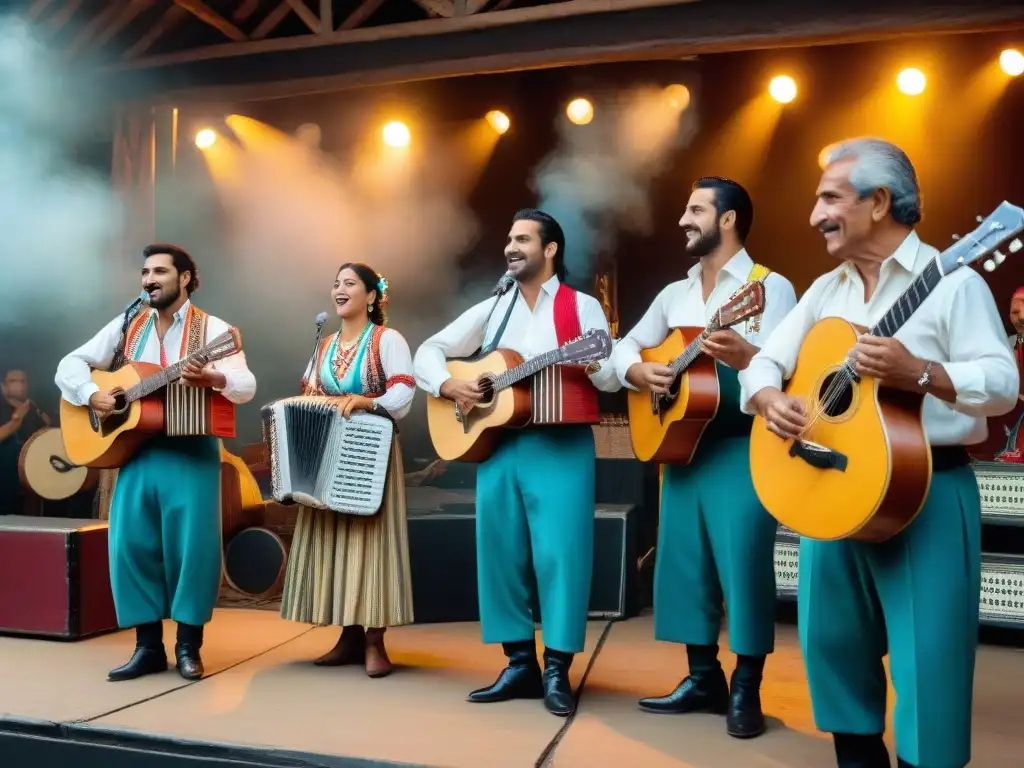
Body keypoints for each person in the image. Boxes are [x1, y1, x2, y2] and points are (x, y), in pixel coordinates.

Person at [739, 138, 1019, 768]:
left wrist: (920, 372)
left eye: (830, 198)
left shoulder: (955, 281)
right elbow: (764, 362)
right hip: (828, 491)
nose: (815, 214)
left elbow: (1004, 383)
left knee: (930, 661)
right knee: (831, 647)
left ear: (880, 202)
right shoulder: (823, 291)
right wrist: (765, 398)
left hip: (926, 492)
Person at [413, 208, 620, 717]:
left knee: (561, 557)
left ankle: (557, 670)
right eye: (509, 238)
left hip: (561, 444)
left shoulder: (583, 307)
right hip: (500, 445)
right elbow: (430, 349)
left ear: (550, 250)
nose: (511, 246)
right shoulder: (495, 307)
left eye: (523, 239)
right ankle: (518, 663)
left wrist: (595, 363)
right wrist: (448, 384)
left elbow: (612, 374)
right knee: (500, 555)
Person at [610, 177, 797, 738]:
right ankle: (702, 677)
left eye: (696, 209)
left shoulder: (769, 287)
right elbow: (626, 346)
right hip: (681, 450)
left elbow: (792, 370)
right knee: (683, 567)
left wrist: (751, 356)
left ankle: (747, 687)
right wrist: (638, 372)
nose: (683, 219)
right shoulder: (675, 294)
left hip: (743, 447)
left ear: (729, 220)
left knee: (743, 569)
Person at [55, 244, 256, 682]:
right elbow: (70, 364)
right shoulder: (129, 324)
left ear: (185, 278)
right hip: (137, 449)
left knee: (193, 551)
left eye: (160, 271)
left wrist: (214, 377)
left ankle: (188, 647)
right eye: (145, 272)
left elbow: (245, 385)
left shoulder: (216, 329)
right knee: (130, 545)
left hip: (191, 449)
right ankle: (147, 647)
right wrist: (92, 394)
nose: (149, 279)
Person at [279, 263, 416, 678]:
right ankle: (349, 635)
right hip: (327, 454)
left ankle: (375, 640)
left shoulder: (387, 339)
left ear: (372, 296)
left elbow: (405, 391)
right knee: (335, 541)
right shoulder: (324, 346)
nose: (339, 289)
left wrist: (368, 401)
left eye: (350, 284)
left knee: (371, 541)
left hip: (370, 453)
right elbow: (309, 390)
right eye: (336, 283)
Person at [0, 370, 52, 515]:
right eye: (13, 381)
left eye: (22, 381)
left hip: (31, 473)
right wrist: (16, 419)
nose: (18, 385)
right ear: (3, 386)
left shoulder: (34, 410)